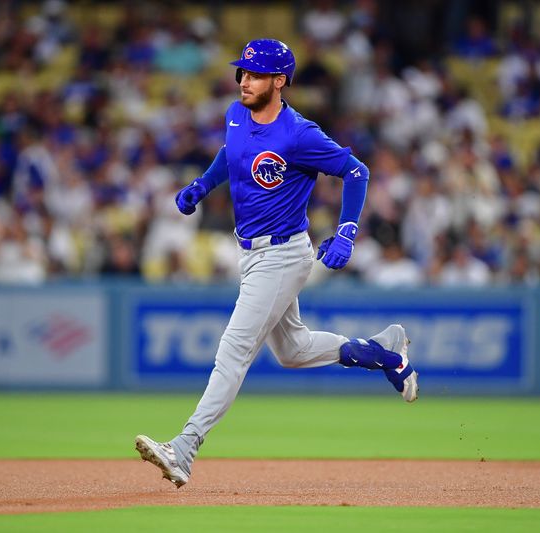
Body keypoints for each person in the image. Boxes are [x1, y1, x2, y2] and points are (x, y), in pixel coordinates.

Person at [135, 39, 419, 488]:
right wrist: (203, 185)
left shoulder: (298, 133)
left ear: (279, 81)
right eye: (242, 73)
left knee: (233, 351)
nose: (244, 81)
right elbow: (231, 153)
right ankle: (382, 350)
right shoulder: (235, 114)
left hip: (284, 254)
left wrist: (346, 230)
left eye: (254, 74)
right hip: (250, 253)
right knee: (292, 351)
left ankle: (184, 447)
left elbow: (357, 171)